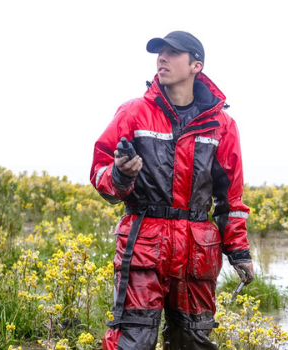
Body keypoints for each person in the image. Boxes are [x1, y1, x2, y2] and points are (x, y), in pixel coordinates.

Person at [90, 31, 254, 350]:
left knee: (192, 341)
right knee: (132, 341)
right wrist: (121, 174)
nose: (162, 58)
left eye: (173, 52)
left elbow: (230, 199)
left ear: (196, 65)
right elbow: (100, 173)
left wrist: (239, 251)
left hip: (197, 251)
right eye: (160, 52)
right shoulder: (133, 112)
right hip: (143, 246)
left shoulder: (221, 125)